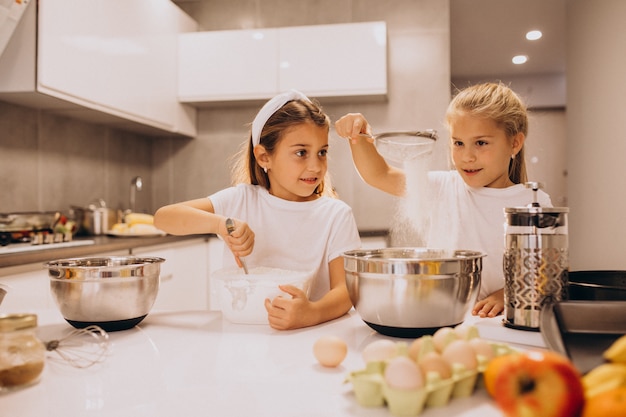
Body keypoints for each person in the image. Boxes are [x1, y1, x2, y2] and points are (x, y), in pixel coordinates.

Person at [334, 82, 552, 318]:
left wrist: (507, 293)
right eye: (458, 143)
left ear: (515, 143)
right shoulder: (444, 187)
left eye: (481, 143)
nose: (467, 156)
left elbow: (548, 270)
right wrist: (357, 137)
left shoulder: (533, 201)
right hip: (443, 315)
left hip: (503, 319)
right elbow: (380, 175)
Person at [154, 90, 361, 330]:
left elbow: (346, 291)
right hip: (242, 335)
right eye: (301, 153)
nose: (315, 166)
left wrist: (311, 313)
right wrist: (222, 224)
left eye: (322, 152)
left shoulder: (336, 215)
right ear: (264, 157)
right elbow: (163, 218)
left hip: (309, 335)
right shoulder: (241, 200)